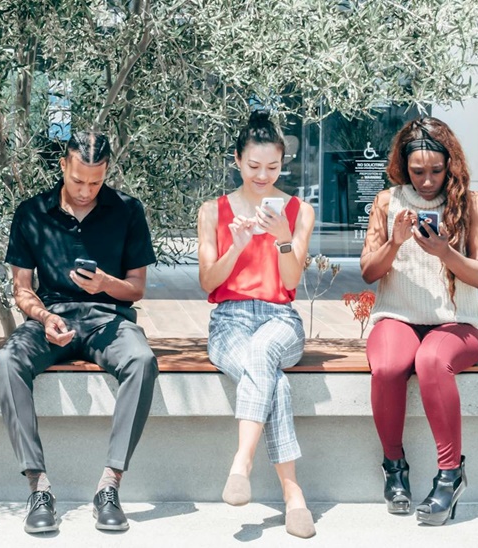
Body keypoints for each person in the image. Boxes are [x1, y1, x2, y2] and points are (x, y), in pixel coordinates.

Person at [0, 131, 158, 534]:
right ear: (63, 166)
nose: (86, 191)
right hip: (51, 318)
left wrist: (104, 284)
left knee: (142, 360)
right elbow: (22, 289)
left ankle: (109, 485)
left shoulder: (127, 211)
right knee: (7, 360)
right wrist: (43, 317)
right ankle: (39, 487)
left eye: (96, 182)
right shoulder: (31, 212)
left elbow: (136, 288)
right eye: (78, 180)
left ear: (107, 173)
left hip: (107, 317)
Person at [360, 116, 478, 526]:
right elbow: (368, 272)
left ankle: (450, 476)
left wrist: (446, 253)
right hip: (397, 317)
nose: (428, 180)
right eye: (418, 172)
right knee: (386, 366)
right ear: (403, 165)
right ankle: (394, 468)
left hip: (457, 324)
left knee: (432, 361)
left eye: (437, 170)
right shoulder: (386, 202)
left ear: (450, 164)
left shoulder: (472, 203)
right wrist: (395, 244)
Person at [196, 110, 317, 539]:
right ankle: (293, 494)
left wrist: (283, 236)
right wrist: (240, 245)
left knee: (264, 351)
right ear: (237, 160)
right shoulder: (213, 210)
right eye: (253, 166)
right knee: (274, 383)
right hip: (229, 320)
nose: (263, 176)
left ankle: (241, 463)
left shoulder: (300, 211)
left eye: (272, 167)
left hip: (280, 318)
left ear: (283, 164)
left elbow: (290, 282)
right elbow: (208, 282)